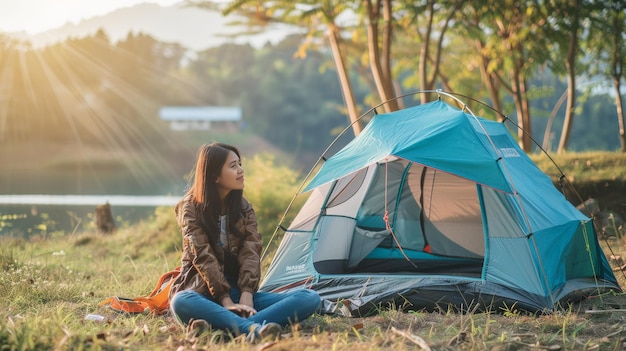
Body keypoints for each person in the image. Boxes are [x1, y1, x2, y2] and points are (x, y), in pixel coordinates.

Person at [168, 142, 321, 343]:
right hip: (202, 291)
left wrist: (246, 295)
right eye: (233, 166)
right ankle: (252, 328)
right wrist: (225, 300)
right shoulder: (190, 208)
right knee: (181, 300)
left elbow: (251, 252)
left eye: (240, 164)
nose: (241, 171)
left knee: (309, 298)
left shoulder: (244, 208)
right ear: (214, 175)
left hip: (238, 290)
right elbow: (202, 256)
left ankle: (230, 328)